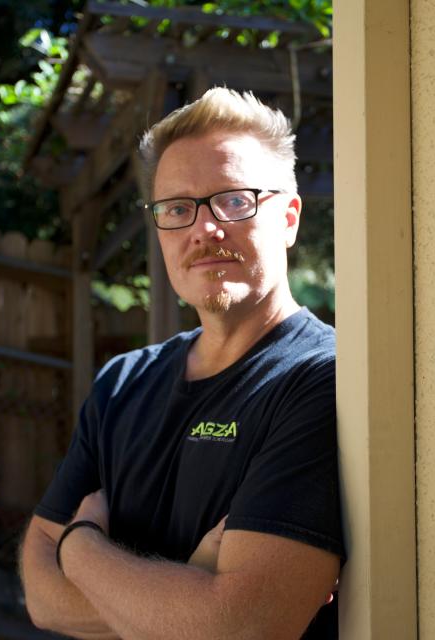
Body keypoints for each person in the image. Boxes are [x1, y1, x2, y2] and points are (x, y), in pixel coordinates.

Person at [20, 87, 343, 640]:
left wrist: (80, 549)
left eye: (234, 200)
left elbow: (241, 627)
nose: (204, 229)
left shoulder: (325, 380)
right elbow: (41, 599)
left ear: (289, 219)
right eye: (177, 208)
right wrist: (186, 591)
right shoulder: (121, 384)